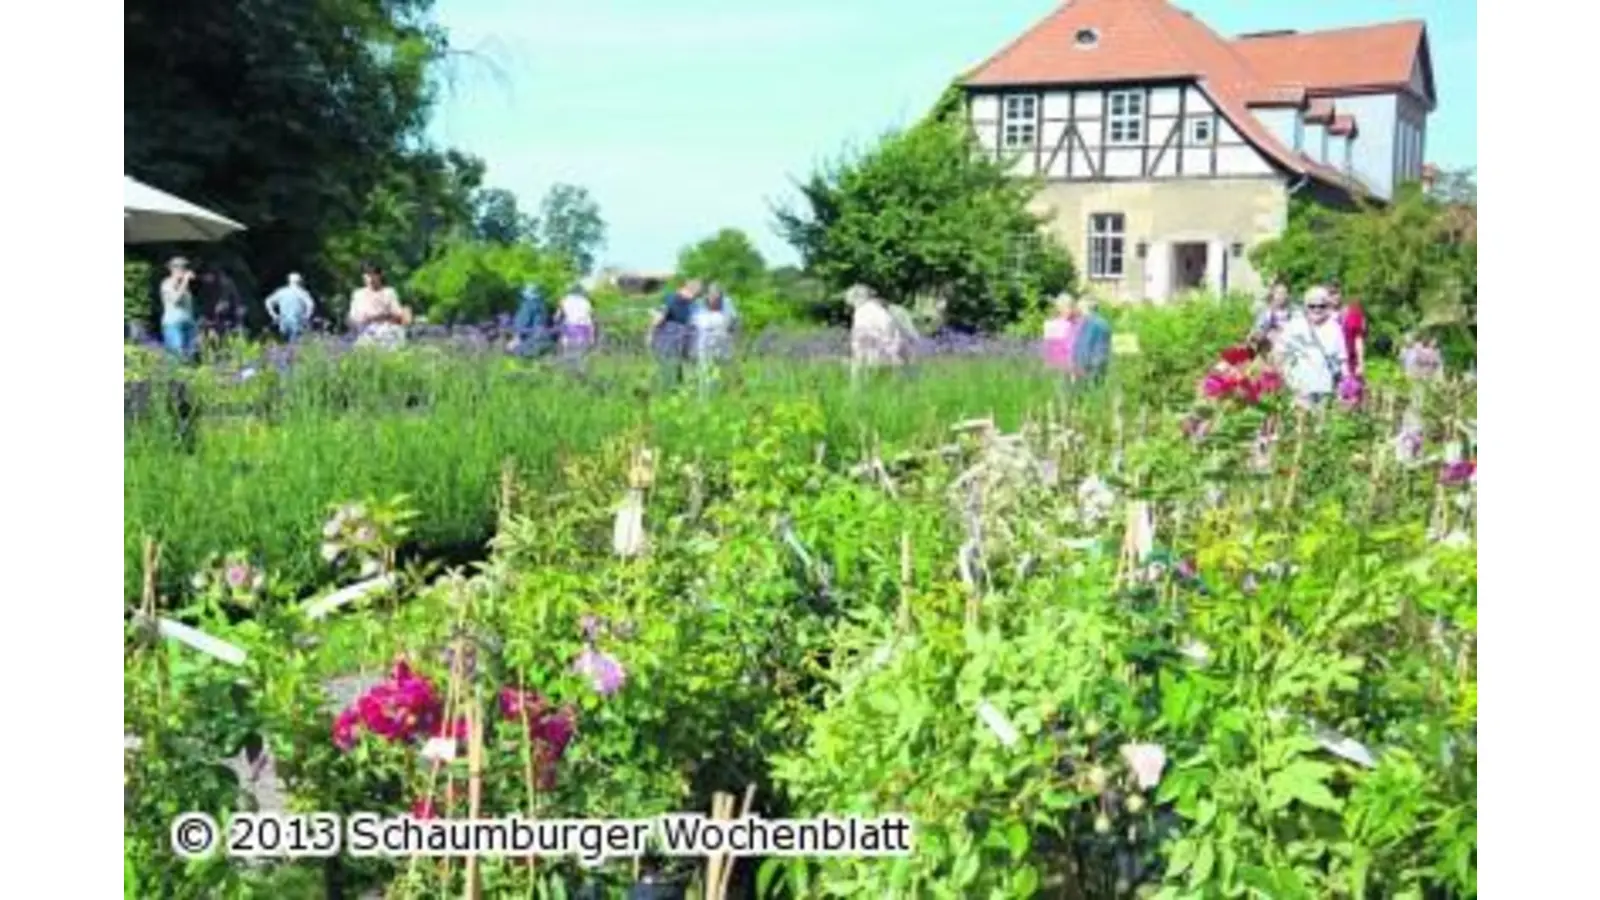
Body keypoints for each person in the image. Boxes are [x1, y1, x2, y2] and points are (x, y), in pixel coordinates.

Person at [1278, 286, 1348, 404]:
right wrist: (1288, 380)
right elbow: (1280, 353)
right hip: (1301, 388)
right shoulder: (1294, 326)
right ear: (1305, 306)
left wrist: (1345, 385)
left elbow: (1342, 359)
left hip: (1326, 388)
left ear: (1328, 307)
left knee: (1323, 421)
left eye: (1322, 306)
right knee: (1301, 420)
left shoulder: (1335, 328)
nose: (1317, 309)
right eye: (1312, 306)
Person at [649, 279, 701, 388]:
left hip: (674, 339)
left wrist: (650, 332)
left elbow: (659, 318)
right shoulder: (672, 299)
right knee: (674, 368)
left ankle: (675, 389)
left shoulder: (673, 299)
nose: (692, 297)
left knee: (672, 368)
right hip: (674, 339)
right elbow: (660, 317)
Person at [348, 262, 412, 349]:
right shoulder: (358, 294)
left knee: (392, 334)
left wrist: (383, 316)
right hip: (366, 331)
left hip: (387, 330)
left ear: (379, 276)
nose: (370, 279)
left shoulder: (389, 292)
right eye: (367, 275)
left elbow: (397, 313)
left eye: (373, 275)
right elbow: (354, 318)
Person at [692, 290, 734, 397]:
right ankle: (706, 396)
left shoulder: (717, 317)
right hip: (706, 347)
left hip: (714, 347)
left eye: (715, 298)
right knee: (706, 372)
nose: (713, 300)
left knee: (714, 372)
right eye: (711, 297)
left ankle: (712, 395)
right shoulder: (704, 316)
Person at [159, 257, 199, 361]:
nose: (182, 270)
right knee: (176, 357)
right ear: (172, 269)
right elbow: (176, 299)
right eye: (179, 267)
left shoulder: (184, 286)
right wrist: (185, 280)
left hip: (188, 323)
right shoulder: (166, 284)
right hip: (173, 324)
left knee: (189, 357)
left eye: (184, 267)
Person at [264, 273, 316, 343]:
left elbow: (268, 301)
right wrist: (307, 316)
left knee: (287, 344)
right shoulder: (302, 292)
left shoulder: (281, 292)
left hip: (284, 323)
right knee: (296, 344)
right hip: (297, 322)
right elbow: (310, 305)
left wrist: (274, 315)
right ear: (300, 282)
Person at [1072, 295, 1113, 383]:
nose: (1079, 311)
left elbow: (1084, 347)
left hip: (1088, 367)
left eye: (1080, 308)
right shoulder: (1104, 323)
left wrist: (1078, 368)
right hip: (1102, 365)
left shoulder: (1089, 323)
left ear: (1087, 308)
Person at [508, 285, 553, 357]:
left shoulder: (527, 305)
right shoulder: (542, 305)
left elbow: (522, 324)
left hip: (530, 340)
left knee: (513, 354)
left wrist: (515, 339)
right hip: (544, 339)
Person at [555, 284, 596, 361]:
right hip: (584, 326)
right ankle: (579, 366)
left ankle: (568, 365)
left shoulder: (565, 300)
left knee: (567, 346)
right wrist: (592, 336)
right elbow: (591, 316)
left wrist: (557, 320)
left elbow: (557, 316)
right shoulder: (586, 302)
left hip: (570, 325)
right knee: (580, 349)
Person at [1251, 280, 1292, 353]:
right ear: (1273, 295)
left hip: (1288, 342)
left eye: (1283, 293)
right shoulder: (1267, 312)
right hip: (1271, 343)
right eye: (1278, 293)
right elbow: (1259, 328)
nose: (1280, 296)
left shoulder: (1291, 313)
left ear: (1287, 295)